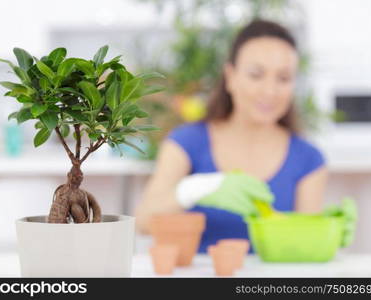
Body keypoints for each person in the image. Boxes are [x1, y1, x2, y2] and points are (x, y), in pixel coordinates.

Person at [135, 19, 327, 253]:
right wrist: (198, 188)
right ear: (231, 76)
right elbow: (144, 221)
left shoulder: (308, 158)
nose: (270, 90)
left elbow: (303, 247)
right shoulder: (187, 143)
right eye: (256, 74)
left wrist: (329, 233)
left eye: (283, 78)